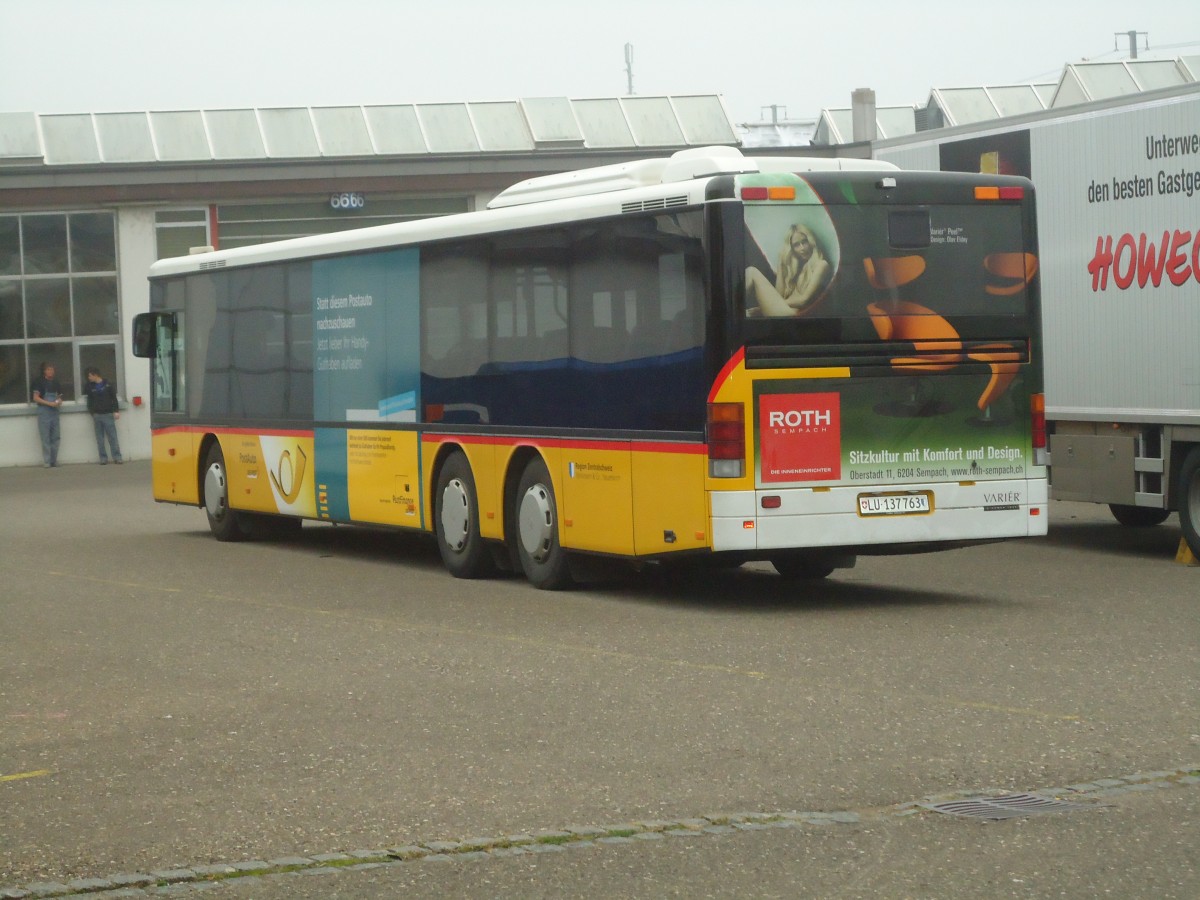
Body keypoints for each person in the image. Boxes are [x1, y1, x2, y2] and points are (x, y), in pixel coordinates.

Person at [745, 222, 832, 316]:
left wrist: (762, 308)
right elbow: (779, 295)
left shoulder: (821, 265)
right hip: (784, 311)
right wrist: (781, 263)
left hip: (793, 315)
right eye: (796, 245)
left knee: (751, 272)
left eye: (804, 242)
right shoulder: (797, 268)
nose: (802, 248)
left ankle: (730, 308)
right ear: (792, 249)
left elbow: (804, 300)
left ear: (811, 241)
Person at [84, 366, 123, 465]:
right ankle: (103, 458)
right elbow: (89, 400)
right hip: (97, 415)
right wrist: (92, 412)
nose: (89, 378)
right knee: (100, 438)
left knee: (112, 437)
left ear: (95, 375)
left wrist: (116, 411)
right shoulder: (90, 387)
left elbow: (114, 399)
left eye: (90, 376)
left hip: (108, 414)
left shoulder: (108, 385)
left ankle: (117, 457)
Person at [30, 361, 64, 468]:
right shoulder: (39, 382)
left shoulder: (56, 382)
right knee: (45, 437)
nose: (51, 372)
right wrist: (49, 403)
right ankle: (47, 461)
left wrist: (58, 402)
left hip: (55, 412)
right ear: (44, 371)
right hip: (44, 411)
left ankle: (54, 460)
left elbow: (59, 397)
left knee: (56, 437)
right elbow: (35, 398)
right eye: (48, 370)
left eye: (52, 370)